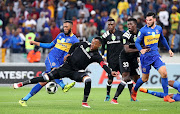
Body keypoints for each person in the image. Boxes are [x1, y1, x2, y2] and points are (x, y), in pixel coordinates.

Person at [13, 37, 119, 108]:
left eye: (95, 43)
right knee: (45, 78)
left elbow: (103, 65)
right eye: (93, 41)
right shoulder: (84, 43)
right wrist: (69, 54)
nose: (92, 44)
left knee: (88, 79)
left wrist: (110, 72)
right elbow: (74, 46)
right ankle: (22, 84)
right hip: (65, 68)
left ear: (99, 46)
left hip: (76, 72)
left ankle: (84, 102)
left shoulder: (96, 56)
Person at [16, 20, 79, 106]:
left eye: (66, 27)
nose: (64, 28)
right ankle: (63, 86)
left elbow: (78, 51)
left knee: (43, 81)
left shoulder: (74, 40)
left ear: (71, 28)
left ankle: (24, 99)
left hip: (59, 62)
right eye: (64, 26)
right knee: (55, 70)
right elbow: (49, 45)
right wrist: (35, 43)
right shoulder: (60, 35)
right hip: (51, 58)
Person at [132, 12, 175, 103]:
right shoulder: (143, 30)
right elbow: (136, 43)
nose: (148, 22)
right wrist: (141, 50)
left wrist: (169, 50)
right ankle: (134, 90)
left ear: (155, 20)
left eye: (150, 20)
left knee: (164, 73)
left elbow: (162, 39)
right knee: (144, 79)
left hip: (155, 55)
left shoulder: (159, 28)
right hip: (146, 57)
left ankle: (166, 96)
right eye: (147, 20)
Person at [110, 18, 140, 104]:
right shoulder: (125, 35)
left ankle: (132, 97)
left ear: (135, 25)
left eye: (131, 24)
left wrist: (139, 54)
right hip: (125, 57)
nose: (129, 26)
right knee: (126, 77)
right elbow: (127, 50)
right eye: (128, 24)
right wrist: (140, 50)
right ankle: (114, 99)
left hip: (133, 58)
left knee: (137, 80)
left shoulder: (140, 33)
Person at [101, 18, 123, 101]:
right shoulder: (105, 35)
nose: (110, 26)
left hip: (121, 59)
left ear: (115, 25)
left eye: (111, 24)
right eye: (109, 24)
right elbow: (103, 47)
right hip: (111, 61)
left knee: (126, 77)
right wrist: (102, 56)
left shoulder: (120, 34)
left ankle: (132, 96)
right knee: (110, 79)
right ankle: (108, 95)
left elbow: (125, 44)